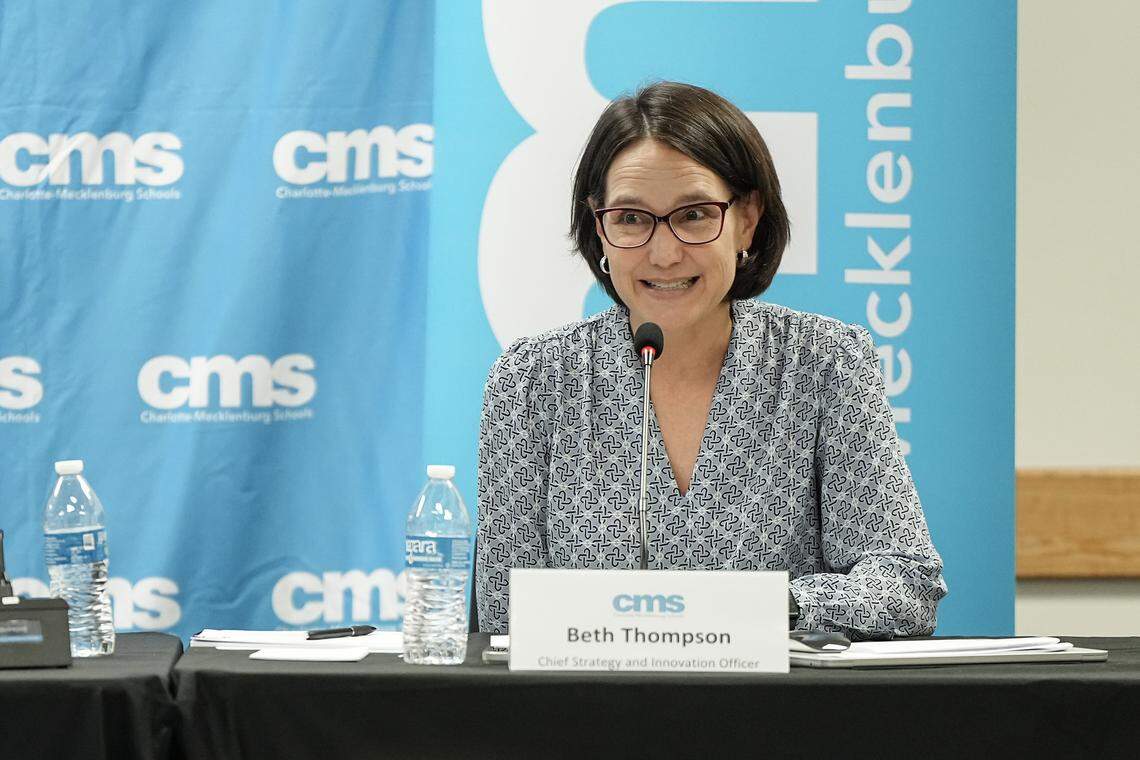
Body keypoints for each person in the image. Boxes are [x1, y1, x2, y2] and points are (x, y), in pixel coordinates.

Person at [476, 81, 946, 640]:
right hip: (589, 717)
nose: (665, 251)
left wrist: (758, 608)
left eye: (694, 214)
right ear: (599, 227)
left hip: (774, 718)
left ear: (746, 219)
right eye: (630, 218)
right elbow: (506, 613)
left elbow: (906, 587)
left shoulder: (824, 363)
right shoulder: (533, 379)